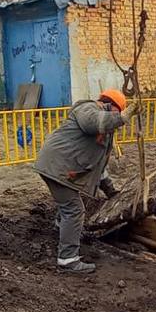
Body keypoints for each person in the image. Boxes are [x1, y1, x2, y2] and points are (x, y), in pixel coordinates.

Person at [34, 88, 136, 274]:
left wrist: (110, 190)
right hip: (57, 166)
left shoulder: (104, 126)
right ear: (109, 105)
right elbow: (93, 123)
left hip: (59, 166)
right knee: (74, 210)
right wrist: (122, 118)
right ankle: (68, 259)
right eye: (118, 112)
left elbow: (99, 165)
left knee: (69, 203)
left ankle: (62, 228)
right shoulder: (88, 109)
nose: (118, 117)